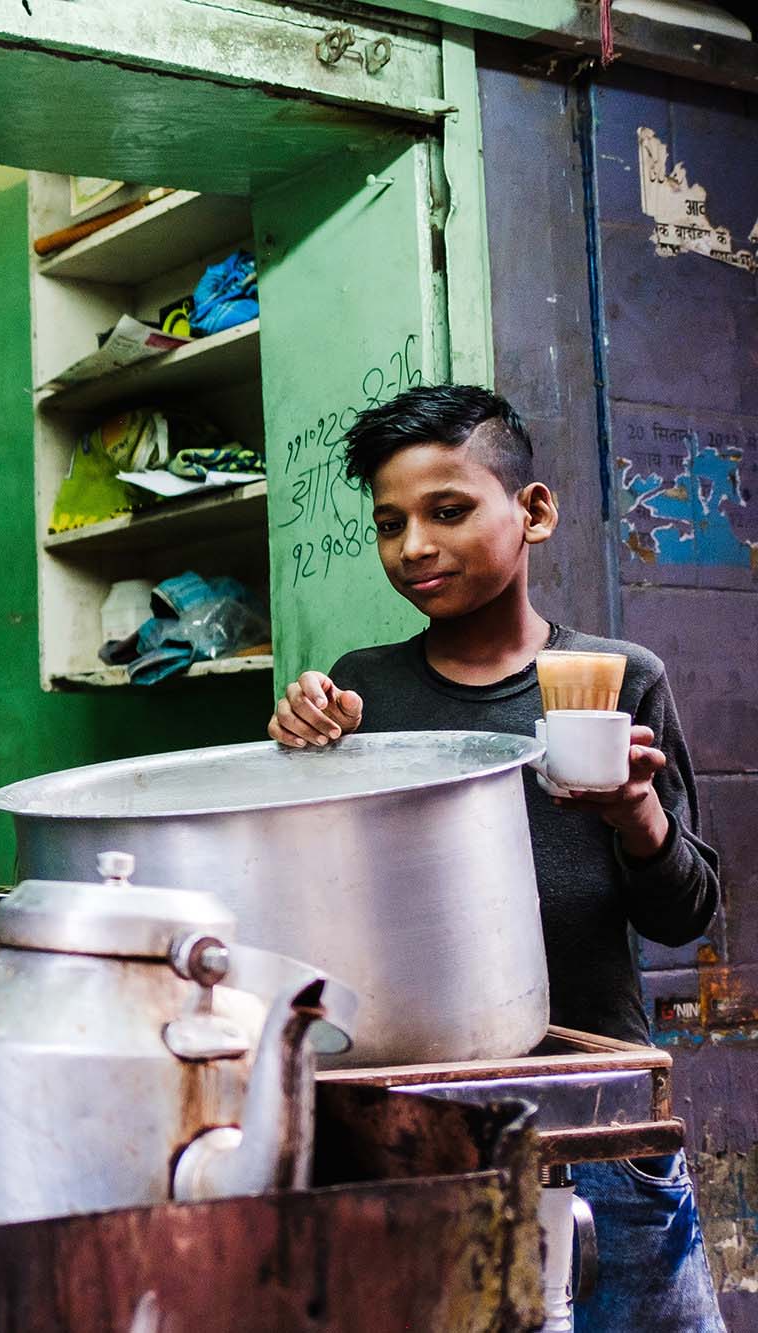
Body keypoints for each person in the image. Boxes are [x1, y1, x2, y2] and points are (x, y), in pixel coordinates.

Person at [266, 384, 723, 1330]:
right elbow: (310, 905)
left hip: (597, 1114)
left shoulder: (619, 676)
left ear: (535, 511)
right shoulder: (363, 690)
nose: (414, 547)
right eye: (389, 524)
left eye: (447, 510)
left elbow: (686, 915)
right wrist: (302, 752)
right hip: (421, 1121)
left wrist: (635, 809)